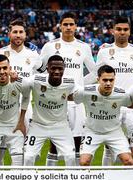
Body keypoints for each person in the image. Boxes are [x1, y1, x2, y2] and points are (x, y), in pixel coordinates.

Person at [38, 12, 95, 166]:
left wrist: (81, 85)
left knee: (78, 141)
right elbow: (39, 70)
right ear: (60, 27)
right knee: (55, 141)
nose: (69, 27)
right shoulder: (50, 46)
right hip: (56, 100)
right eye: (65, 24)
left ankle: (75, 175)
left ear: (76, 27)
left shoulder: (83, 47)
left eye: (71, 24)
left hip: (76, 101)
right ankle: (50, 174)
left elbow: (95, 72)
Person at [93, 16, 133, 166]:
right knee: (109, 145)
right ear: (113, 31)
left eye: (125, 29)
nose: (122, 32)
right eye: (119, 29)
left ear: (129, 32)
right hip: (110, 104)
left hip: (132, 105)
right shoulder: (105, 51)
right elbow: (96, 75)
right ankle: (106, 175)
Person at [0, 19, 42, 165]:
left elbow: (38, 79)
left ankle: (23, 174)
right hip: (2, 107)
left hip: (26, 109)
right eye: (15, 32)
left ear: (25, 35)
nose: (18, 35)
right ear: (9, 34)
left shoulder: (34, 55)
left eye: (21, 32)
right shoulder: (0, 53)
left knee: (28, 152)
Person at [73, 65, 133, 166]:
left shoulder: (122, 94)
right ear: (98, 80)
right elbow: (72, 98)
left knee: (129, 161)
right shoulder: (86, 91)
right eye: (105, 80)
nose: (108, 83)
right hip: (92, 131)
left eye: (111, 80)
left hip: (114, 132)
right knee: (84, 162)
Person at [22, 55, 77, 166]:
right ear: (47, 68)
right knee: (28, 157)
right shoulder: (36, 80)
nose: (57, 71)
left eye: (60, 69)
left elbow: (81, 94)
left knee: (71, 157)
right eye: (53, 68)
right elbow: (22, 84)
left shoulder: (70, 82)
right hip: (38, 125)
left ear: (64, 69)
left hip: (60, 126)